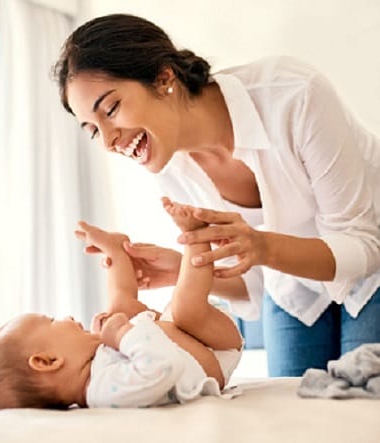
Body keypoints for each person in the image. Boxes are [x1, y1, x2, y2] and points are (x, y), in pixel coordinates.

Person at [53, 13, 380, 376]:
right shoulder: (169, 164)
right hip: (291, 282)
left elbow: (362, 245)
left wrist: (262, 247)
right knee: (291, 415)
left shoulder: (293, 95)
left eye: (111, 109)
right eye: (94, 130)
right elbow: (253, 282)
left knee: (361, 403)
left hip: (373, 263)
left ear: (164, 78)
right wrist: (186, 271)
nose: (110, 141)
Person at [0, 198, 243, 410]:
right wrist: (123, 335)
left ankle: (115, 249)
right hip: (213, 354)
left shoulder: (96, 369)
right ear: (48, 361)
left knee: (120, 308)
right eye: (53, 321)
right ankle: (195, 236)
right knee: (184, 309)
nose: (66, 317)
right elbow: (163, 367)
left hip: (185, 341)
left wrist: (114, 335)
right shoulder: (104, 391)